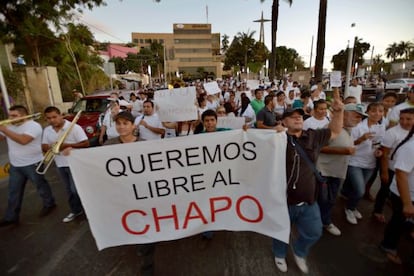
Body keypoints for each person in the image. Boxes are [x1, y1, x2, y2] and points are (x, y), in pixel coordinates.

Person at [272, 88, 344, 274]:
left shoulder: (313, 136)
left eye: (300, 116)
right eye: (292, 116)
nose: (298, 118)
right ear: (283, 122)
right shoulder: (276, 139)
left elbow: (335, 131)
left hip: (308, 200)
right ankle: (279, 254)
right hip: (282, 201)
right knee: (280, 233)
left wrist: (338, 112)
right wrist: (264, 133)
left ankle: (299, 251)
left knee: (314, 232)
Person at [0, 105, 56, 226]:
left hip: (33, 163)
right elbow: (1, 137)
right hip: (15, 164)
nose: (10, 118)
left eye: (14, 116)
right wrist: (3, 130)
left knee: (41, 186)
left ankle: (49, 204)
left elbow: (23, 140)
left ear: (23, 115)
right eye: (9, 115)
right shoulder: (10, 126)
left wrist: (5, 130)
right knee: (13, 192)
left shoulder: (33, 126)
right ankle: (11, 217)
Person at [316, 103, 365, 236]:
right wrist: (343, 151)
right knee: (325, 200)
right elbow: (317, 148)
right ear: (344, 114)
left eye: (360, 117)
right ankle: (322, 223)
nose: (359, 119)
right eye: (356, 115)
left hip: (337, 172)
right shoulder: (330, 128)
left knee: (330, 199)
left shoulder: (350, 130)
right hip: (324, 172)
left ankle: (321, 222)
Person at [41, 106, 89, 223]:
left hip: (75, 163)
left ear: (61, 115)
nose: (52, 120)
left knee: (75, 190)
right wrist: (50, 147)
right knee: (68, 190)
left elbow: (86, 143)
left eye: (54, 117)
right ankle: (76, 210)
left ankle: (86, 209)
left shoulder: (74, 127)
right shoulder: (47, 130)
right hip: (60, 164)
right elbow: (44, 147)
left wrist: (68, 146)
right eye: (48, 118)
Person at [342, 102, 385, 225]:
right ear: (368, 112)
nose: (377, 114)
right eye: (374, 111)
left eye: (380, 111)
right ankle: (349, 208)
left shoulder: (380, 127)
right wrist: (362, 139)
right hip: (354, 162)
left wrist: (379, 151)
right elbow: (349, 145)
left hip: (370, 164)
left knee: (358, 189)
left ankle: (353, 206)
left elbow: (379, 144)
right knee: (360, 190)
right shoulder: (357, 127)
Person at [373, 108, 414, 223]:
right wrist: (384, 172)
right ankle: (377, 210)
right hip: (392, 168)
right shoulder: (392, 132)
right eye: (401, 118)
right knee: (384, 189)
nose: (404, 122)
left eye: (409, 119)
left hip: (408, 172)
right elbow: (385, 154)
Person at [380, 126, 414, 264]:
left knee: (403, 222)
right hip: (406, 195)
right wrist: (407, 203)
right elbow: (400, 174)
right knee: (398, 221)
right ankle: (388, 246)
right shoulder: (411, 147)